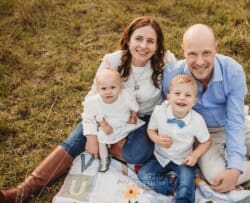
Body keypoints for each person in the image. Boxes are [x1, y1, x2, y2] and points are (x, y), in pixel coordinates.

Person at [0, 16, 176, 202]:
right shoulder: (112, 61)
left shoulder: (165, 62)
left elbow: (181, 85)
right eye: (138, 39)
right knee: (79, 136)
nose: (143, 46)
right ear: (129, 39)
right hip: (109, 114)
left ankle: (109, 146)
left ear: (157, 46)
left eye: (150, 41)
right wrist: (91, 136)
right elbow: (91, 100)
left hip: (144, 120)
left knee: (136, 153)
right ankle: (24, 189)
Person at [162, 23, 250, 203]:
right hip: (204, 134)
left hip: (232, 123)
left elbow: (235, 122)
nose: (200, 61)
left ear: (216, 48)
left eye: (206, 53)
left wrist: (235, 168)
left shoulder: (232, 71)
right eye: (192, 54)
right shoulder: (172, 74)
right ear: (183, 50)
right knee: (216, 178)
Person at [138, 74, 212, 203]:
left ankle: (182, 197)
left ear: (194, 101)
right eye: (177, 93)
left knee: (186, 183)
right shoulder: (159, 111)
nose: (182, 98)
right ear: (169, 97)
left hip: (183, 159)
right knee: (143, 175)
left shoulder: (197, 120)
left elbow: (206, 141)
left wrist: (195, 155)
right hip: (161, 157)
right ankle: (171, 187)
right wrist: (156, 139)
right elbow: (151, 130)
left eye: (188, 95)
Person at [82, 68, 145, 172]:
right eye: (104, 88)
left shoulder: (125, 96)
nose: (108, 92)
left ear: (119, 87)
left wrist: (133, 116)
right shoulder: (95, 101)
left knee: (135, 136)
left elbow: (134, 107)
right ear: (97, 89)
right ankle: (104, 159)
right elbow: (97, 115)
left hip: (125, 123)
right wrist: (103, 124)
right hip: (109, 126)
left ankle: (128, 157)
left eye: (112, 87)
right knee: (102, 140)